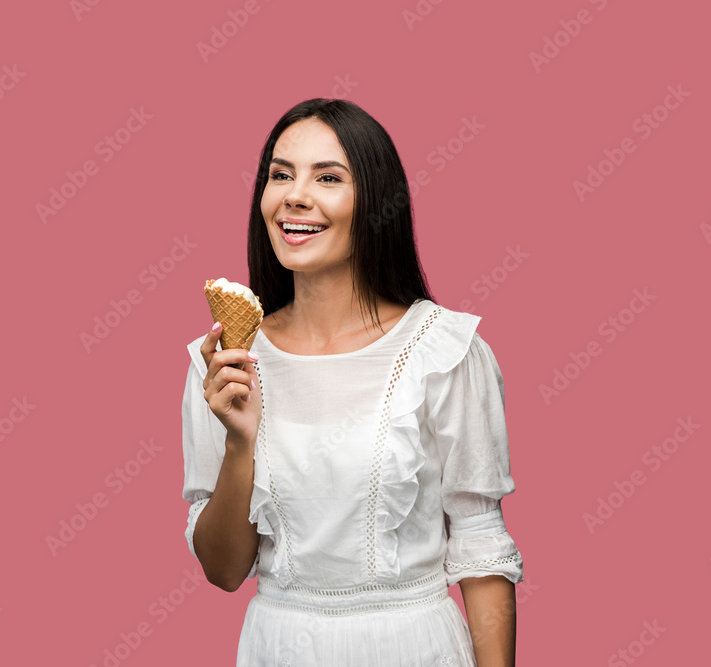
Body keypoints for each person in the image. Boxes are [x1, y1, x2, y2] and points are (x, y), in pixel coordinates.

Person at [182, 98, 524, 666]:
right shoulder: (224, 362)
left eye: (328, 177)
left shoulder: (444, 350)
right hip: (278, 648)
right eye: (280, 174)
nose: (295, 195)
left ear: (374, 202)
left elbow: (480, 546)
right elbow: (223, 571)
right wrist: (240, 442)